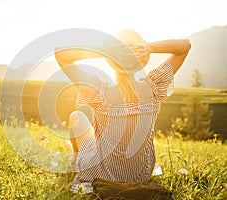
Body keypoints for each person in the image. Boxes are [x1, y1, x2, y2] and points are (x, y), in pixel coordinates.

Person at [54, 29, 191, 194]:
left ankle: (76, 161)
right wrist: (148, 47)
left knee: (77, 117)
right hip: (139, 176)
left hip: (99, 175)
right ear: (142, 60)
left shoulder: (99, 92)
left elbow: (61, 54)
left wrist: (105, 51)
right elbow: (185, 46)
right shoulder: (154, 87)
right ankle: (76, 157)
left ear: (110, 60)